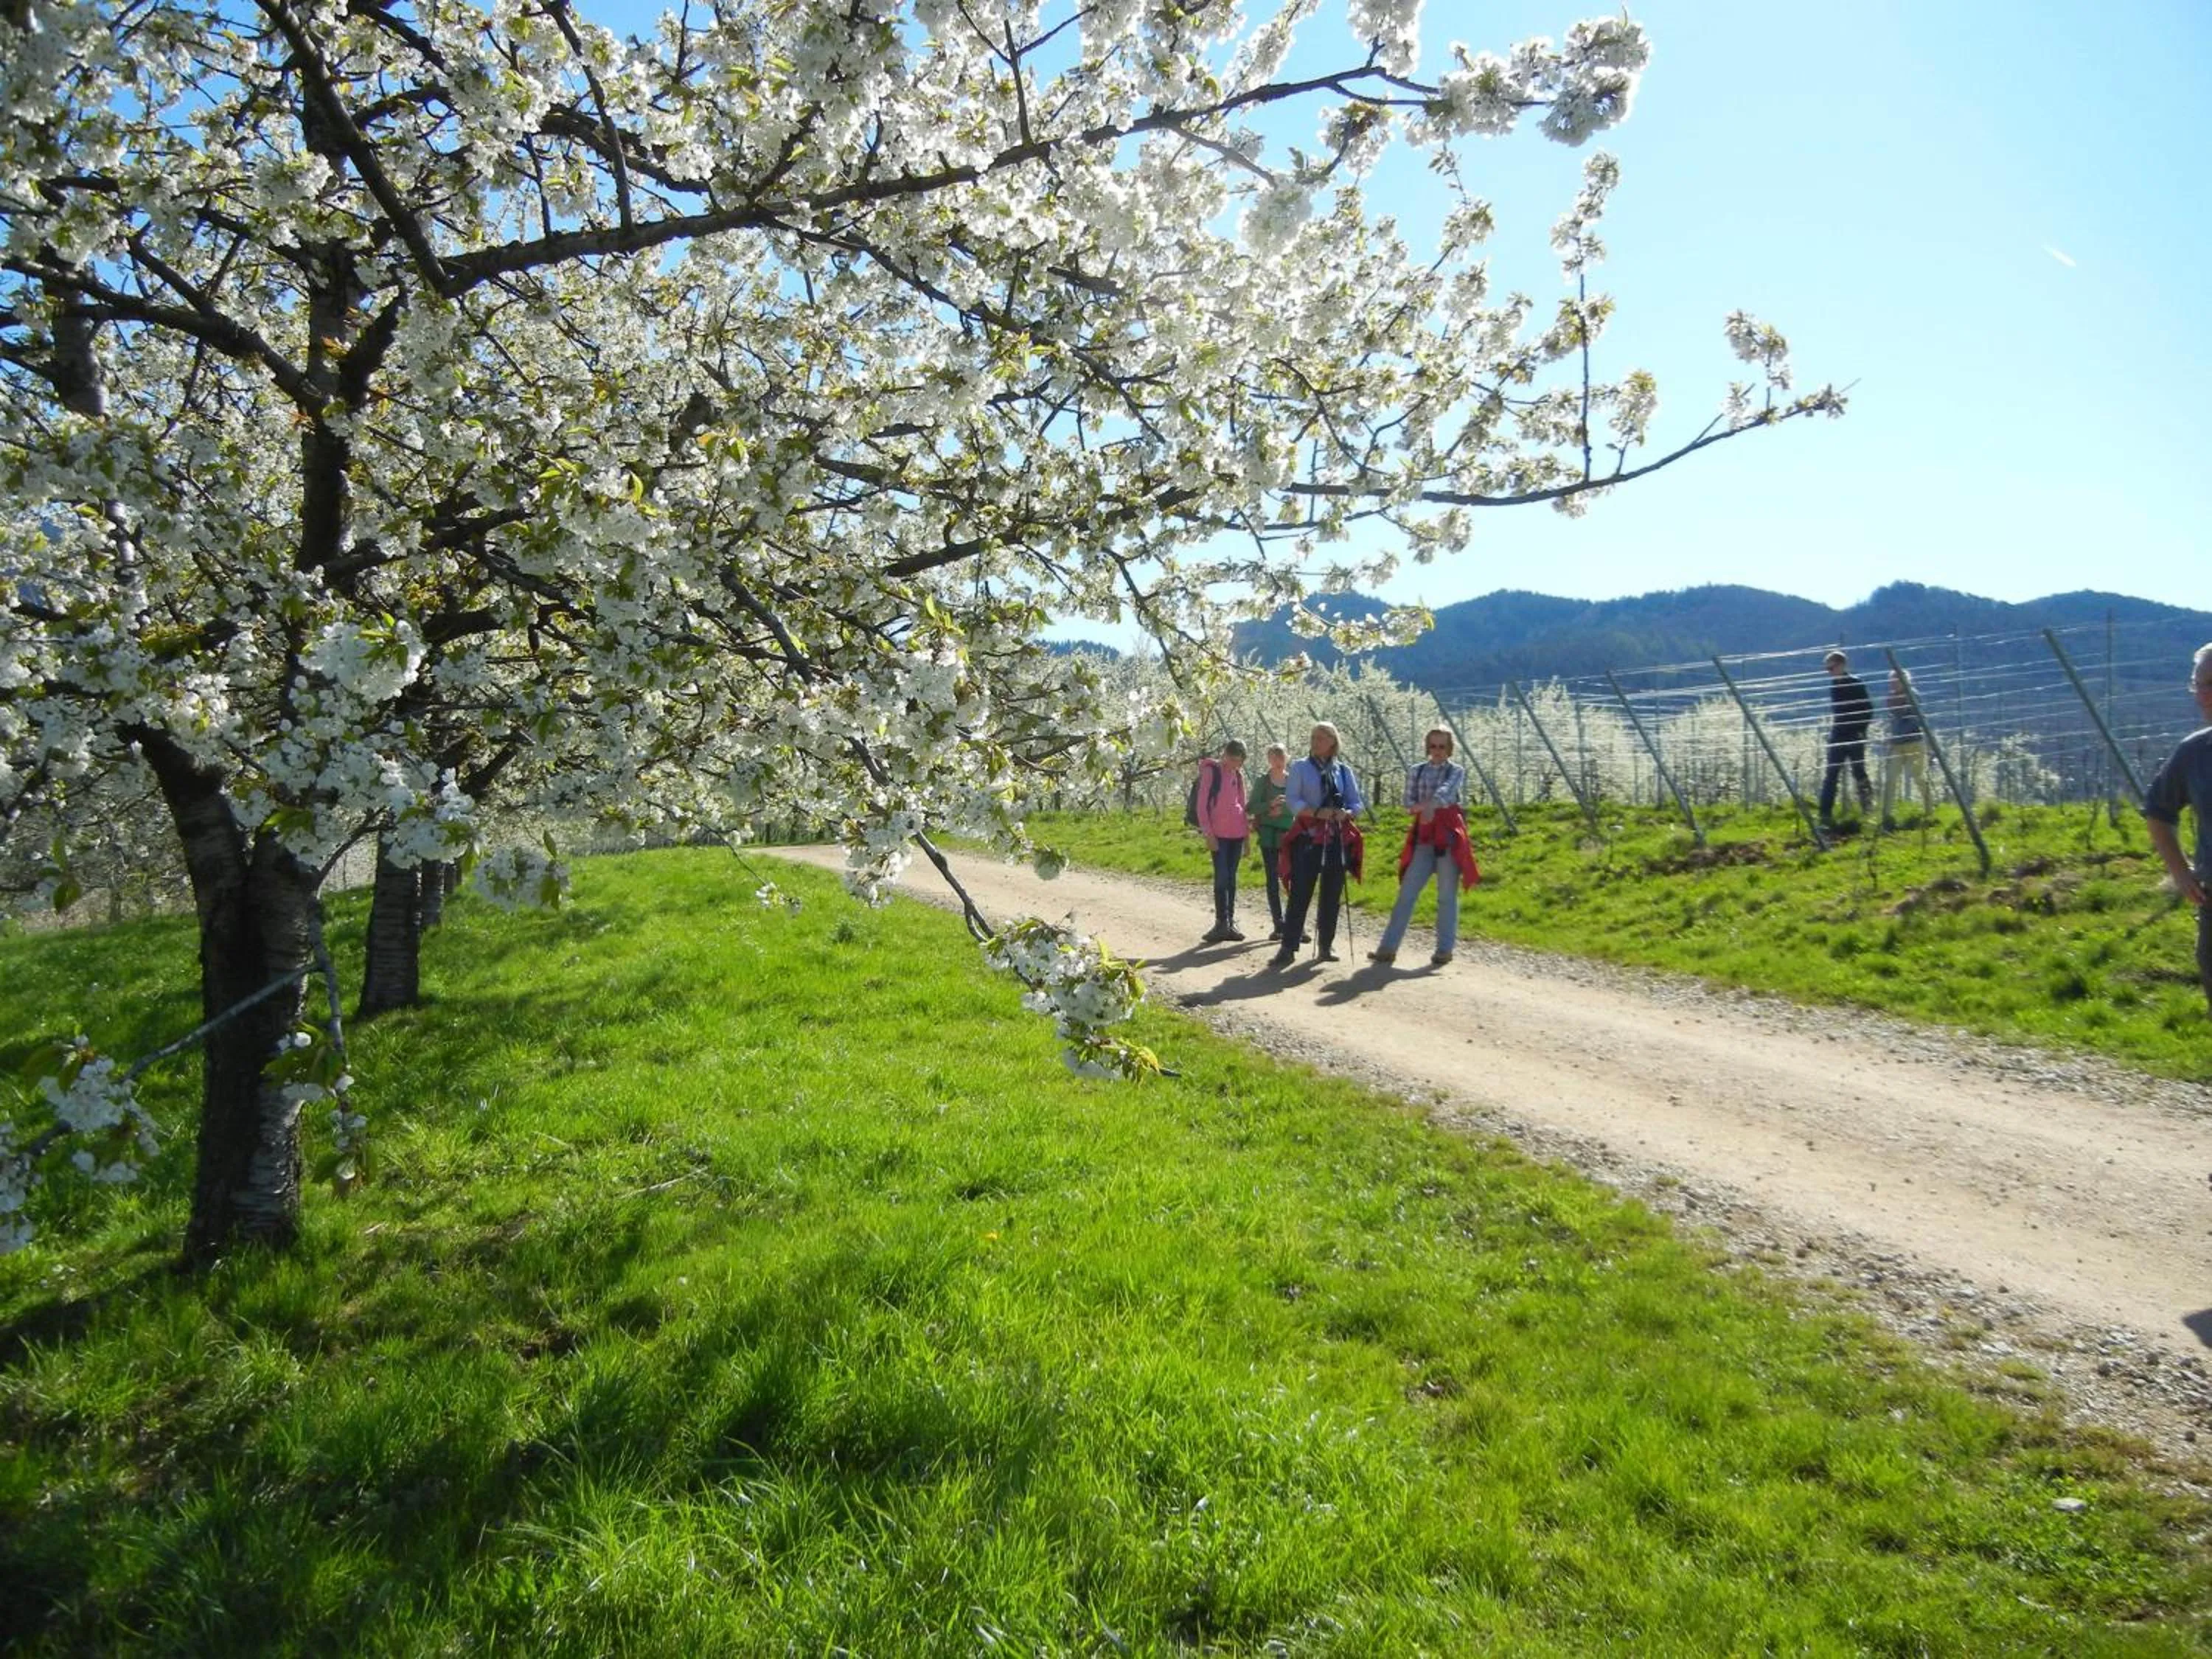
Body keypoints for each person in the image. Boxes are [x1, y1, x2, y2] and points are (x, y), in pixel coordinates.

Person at [1369, 728, 1479, 968]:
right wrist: (1429, 807)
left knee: (1446, 896)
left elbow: (1447, 792)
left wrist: (1428, 806)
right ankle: (1387, 948)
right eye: (1433, 746)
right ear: (1427, 747)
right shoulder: (1416, 771)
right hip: (1424, 837)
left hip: (1448, 838)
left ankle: (1444, 950)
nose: (1437, 751)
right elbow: (1408, 803)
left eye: (1442, 746)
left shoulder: (1456, 770)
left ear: (1449, 749)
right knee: (1407, 893)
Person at [2143, 643, 2212, 1019]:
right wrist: (2181, 872)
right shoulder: (2194, 753)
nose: (2204, 695)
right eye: (2199, 684)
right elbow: (2158, 812)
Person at [1269, 723, 1366, 968]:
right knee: (1300, 892)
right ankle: (1288, 947)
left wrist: (1346, 813)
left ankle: (1326, 945)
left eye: (1321, 738)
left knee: (1332, 895)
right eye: (1314, 737)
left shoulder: (1343, 771)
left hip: (1336, 838)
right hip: (1308, 837)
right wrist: (1316, 812)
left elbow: (1357, 803)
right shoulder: (1300, 767)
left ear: (1333, 742)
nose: (1316, 742)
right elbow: (1293, 800)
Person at [1191, 739, 1251, 942]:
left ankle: (1230, 922)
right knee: (1222, 877)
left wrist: (1247, 839)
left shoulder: (1238, 776)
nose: (1235, 765)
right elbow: (1201, 806)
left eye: (1239, 762)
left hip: (1237, 834)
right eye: (1233, 760)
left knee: (1232, 879)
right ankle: (1220, 922)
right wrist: (1209, 834)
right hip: (1219, 835)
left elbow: (1242, 806)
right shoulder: (1211, 772)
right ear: (1225, 754)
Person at [1817, 649, 1874, 830]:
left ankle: (1868, 809)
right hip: (1838, 735)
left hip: (1854, 735)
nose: (1829, 672)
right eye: (1827, 669)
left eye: (1831, 668)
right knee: (1831, 775)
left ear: (1842, 665)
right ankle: (1824, 813)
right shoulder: (1834, 686)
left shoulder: (1856, 684)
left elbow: (1868, 709)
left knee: (1859, 772)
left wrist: (1861, 731)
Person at [1248, 742, 1296, 939]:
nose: (1277, 761)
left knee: (1294, 880)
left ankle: (1296, 924)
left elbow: (1300, 806)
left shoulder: (1293, 781)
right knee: (1272, 881)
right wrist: (1269, 806)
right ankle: (1278, 924)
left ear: (1287, 758)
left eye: (1281, 756)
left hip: (1290, 836)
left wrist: (1281, 810)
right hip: (1269, 837)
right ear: (1268, 759)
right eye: (1274, 757)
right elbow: (1251, 807)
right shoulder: (1263, 781)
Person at [1879, 666, 1930, 830]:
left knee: (1918, 776)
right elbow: (1892, 721)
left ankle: (1929, 808)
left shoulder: (1913, 696)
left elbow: (1915, 720)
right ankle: (1887, 815)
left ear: (1904, 681)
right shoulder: (1891, 698)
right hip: (1897, 745)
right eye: (1891, 681)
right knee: (1891, 778)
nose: (1892, 684)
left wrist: (1896, 736)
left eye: (1895, 681)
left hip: (1913, 742)